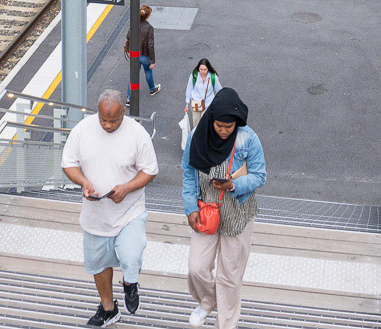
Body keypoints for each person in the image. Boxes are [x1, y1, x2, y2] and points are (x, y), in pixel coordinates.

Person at [60, 89, 159, 326]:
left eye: (113, 120)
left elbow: (150, 171)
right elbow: (68, 163)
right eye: (103, 119)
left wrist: (126, 188)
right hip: (95, 215)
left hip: (129, 212)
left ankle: (130, 283)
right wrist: (83, 182)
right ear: (98, 112)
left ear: (123, 112)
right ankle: (108, 309)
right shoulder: (82, 130)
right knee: (99, 264)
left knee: (131, 254)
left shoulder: (137, 134)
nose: (107, 125)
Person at [182, 88, 266, 329]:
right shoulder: (198, 134)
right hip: (206, 208)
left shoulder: (248, 138)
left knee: (229, 276)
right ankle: (208, 301)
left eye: (229, 127)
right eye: (219, 125)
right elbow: (188, 171)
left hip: (237, 213)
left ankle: (225, 324)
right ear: (211, 119)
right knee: (196, 268)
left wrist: (233, 184)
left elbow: (260, 175)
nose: (223, 131)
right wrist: (190, 207)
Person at [124, 5, 161, 99]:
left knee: (134, 76)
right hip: (144, 55)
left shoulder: (134, 24)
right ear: (148, 16)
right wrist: (153, 61)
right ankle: (152, 89)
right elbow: (150, 45)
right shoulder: (149, 28)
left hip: (134, 53)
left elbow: (128, 36)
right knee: (148, 71)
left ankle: (129, 98)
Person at [182, 59, 221, 145]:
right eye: (201, 69)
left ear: (208, 69)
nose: (202, 72)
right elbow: (189, 89)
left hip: (208, 104)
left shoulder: (213, 77)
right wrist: (187, 104)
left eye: (205, 69)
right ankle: (197, 140)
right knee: (196, 123)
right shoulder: (194, 76)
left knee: (205, 124)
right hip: (196, 104)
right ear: (198, 68)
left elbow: (219, 91)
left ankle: (204, 142)